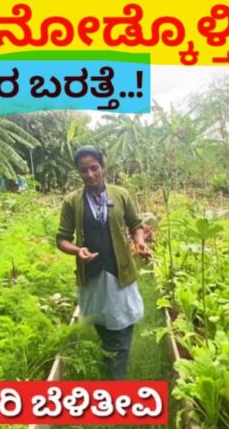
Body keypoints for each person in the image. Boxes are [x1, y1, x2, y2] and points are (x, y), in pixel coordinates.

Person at [55, 145, 151, 380]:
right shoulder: (72, 201)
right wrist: (78, 251)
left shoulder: (120, 195)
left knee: (122, 321)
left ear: (103, 168)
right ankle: (113, 356)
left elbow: (135, 224)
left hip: (120, 269)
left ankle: (115, 374)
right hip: (93, 271)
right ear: (79, 173)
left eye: (94, 168)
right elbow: (61, 239)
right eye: (84, 170)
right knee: (103, 321)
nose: (90, 175)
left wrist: (139, 242)